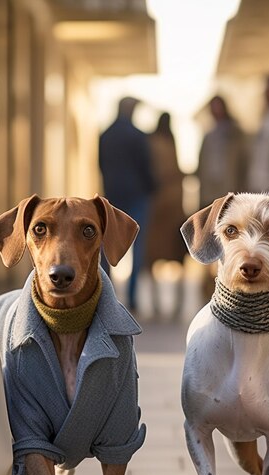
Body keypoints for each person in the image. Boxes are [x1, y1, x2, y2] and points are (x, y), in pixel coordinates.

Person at [99, 96, 156, 312]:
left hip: (112, 195)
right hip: (137, 195)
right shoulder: (138, 136)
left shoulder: (105, 135)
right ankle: (132, 300)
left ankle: (106, 296)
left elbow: (101, 166)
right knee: (137, 249)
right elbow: (146, 167)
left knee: (107, 247)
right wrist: (152, 188)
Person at [145, 112, 186, 318]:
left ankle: (156, 305)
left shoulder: (153, 142)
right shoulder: (167, 142)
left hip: (158, 207)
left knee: (153, 259)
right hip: (168, 208)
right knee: (174, 257)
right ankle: (172, 305)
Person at [197, 95, 247, 208]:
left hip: (229, 186)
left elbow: (242, 161)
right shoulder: (209, 136)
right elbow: (202, 164)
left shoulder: (235, 134)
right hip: (210, 186)